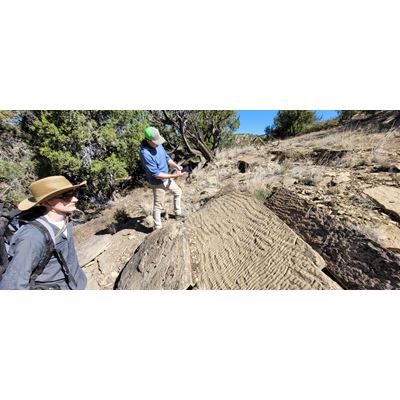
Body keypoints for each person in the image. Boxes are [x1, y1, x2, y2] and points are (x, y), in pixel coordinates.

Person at [0, 175, 87, 290]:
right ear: (47, 202)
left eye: (73, 193)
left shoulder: (66, 219)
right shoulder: (32, 237)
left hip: (75, 283)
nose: (75, 199)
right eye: (67, 196)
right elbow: (12, 285)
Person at [139, 126, 187, 230]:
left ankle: (177, 213)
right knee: (158, 205)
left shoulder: (158, 145)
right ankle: (157, 227)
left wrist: (176, 166)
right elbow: (156, 174)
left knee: (178, 192)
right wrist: (175, 175)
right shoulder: (145, 153)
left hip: (167, 178)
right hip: (157, 182)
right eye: (155, 142)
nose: (158, 143)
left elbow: (166, 157)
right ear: (148, 140)